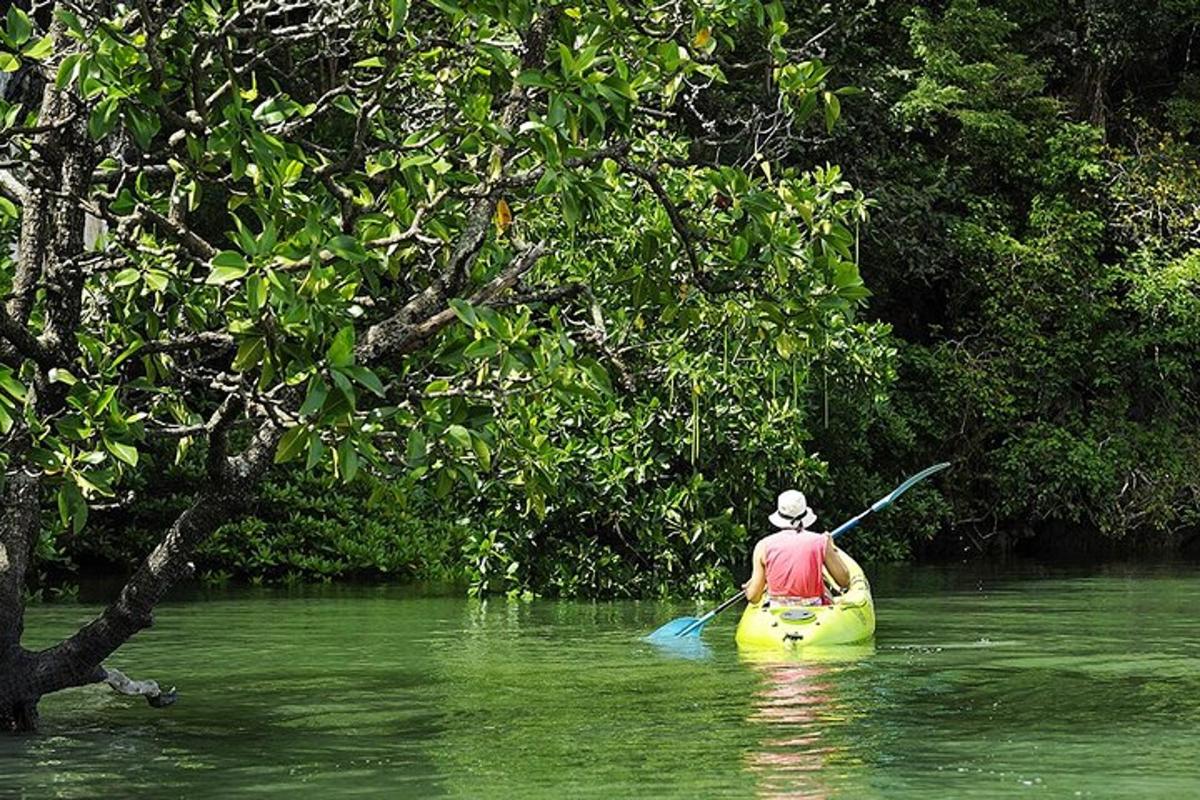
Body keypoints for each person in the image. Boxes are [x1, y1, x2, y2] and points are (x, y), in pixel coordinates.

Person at [742, 489, 851, 606]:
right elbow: (844, 581)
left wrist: (748, 589)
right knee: (825, 590)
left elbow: (754, 597)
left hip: (777, 610)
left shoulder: (762, 546)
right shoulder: (821, 541)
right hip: (814, 609)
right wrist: (831, 547)